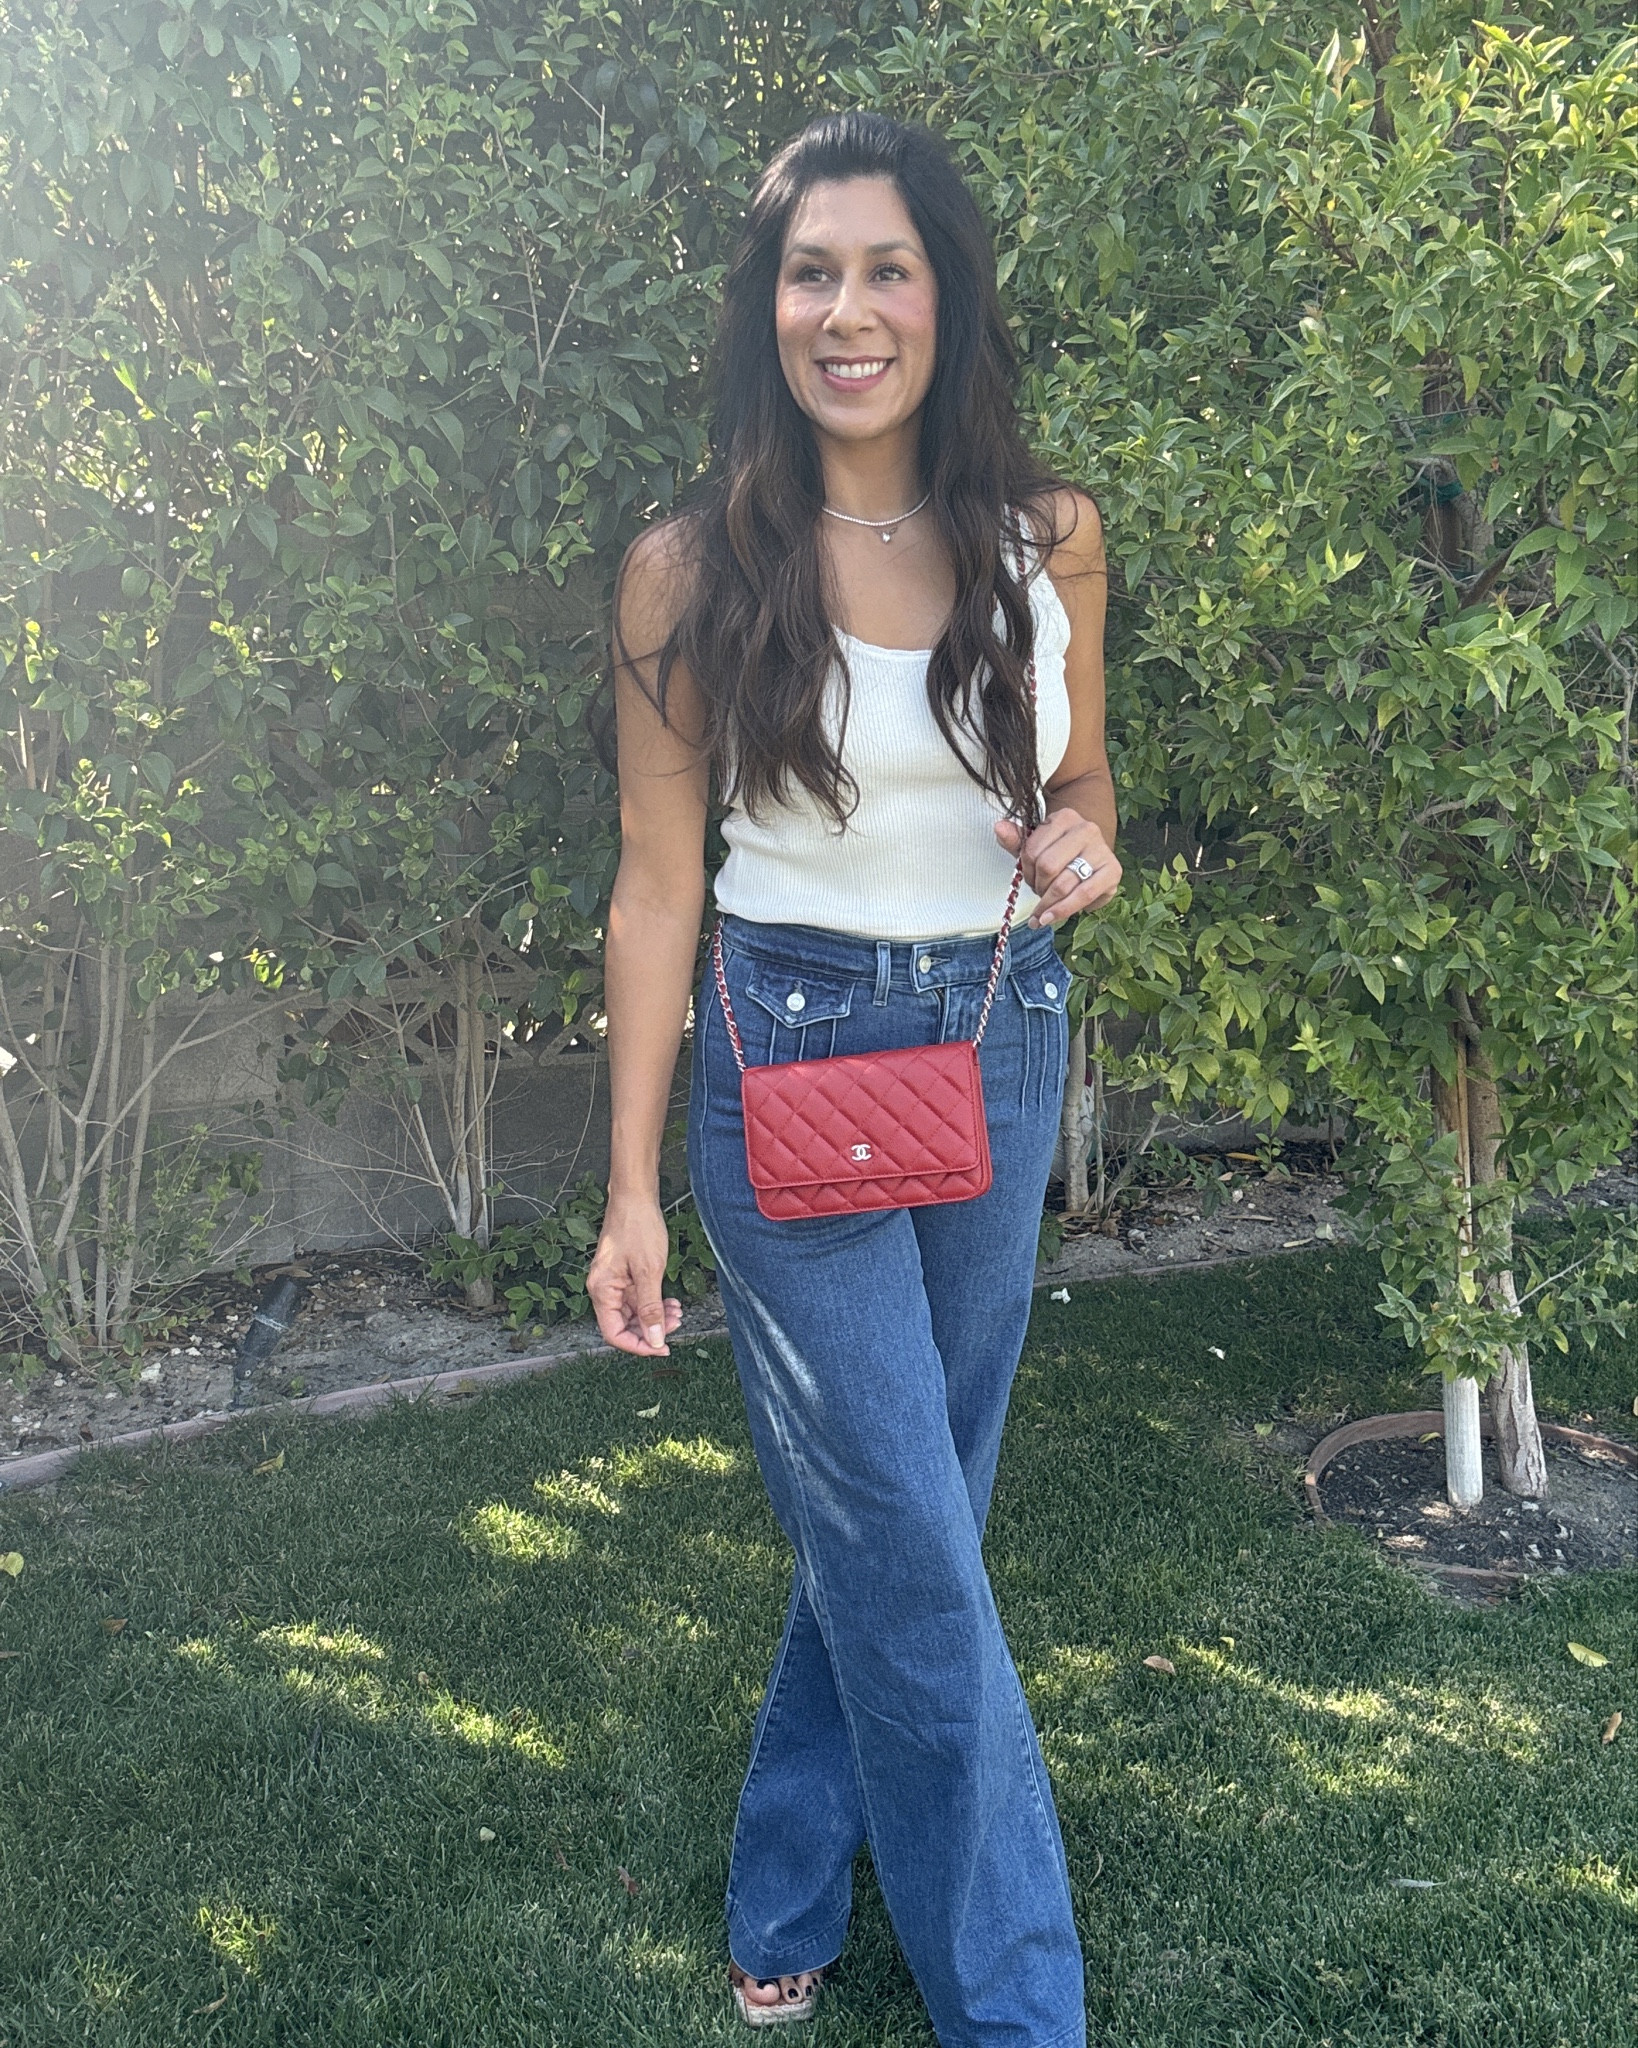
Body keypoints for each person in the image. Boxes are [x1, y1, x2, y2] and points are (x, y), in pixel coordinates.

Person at [587, 110, 1120, 2045]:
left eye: (885, 266)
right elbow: (657, 898)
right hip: (783, 1047)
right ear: (767, 307)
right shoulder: (689, 569)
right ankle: (1019, 2008)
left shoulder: (1046, 536)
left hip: (999, 1030)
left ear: (942, 295)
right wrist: (634, 1190)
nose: (848, 307)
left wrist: (1089, 845)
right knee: (902, 1535)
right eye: (811, 270)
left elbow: (1078, 779)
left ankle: (787, 1880)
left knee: (907, 1520)